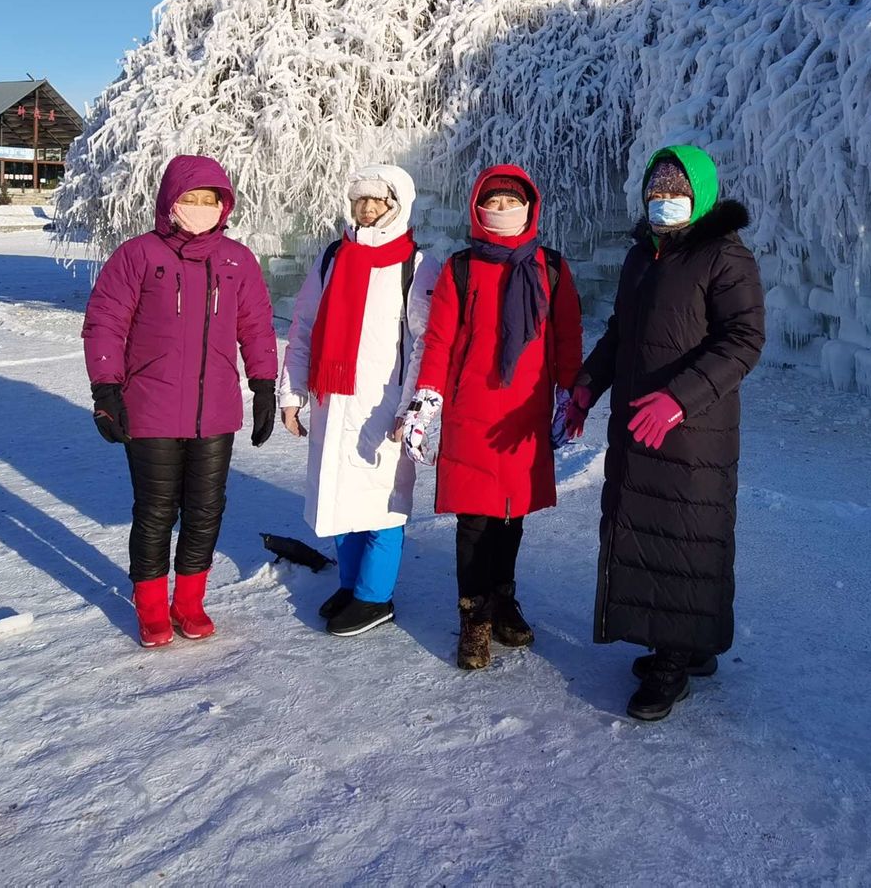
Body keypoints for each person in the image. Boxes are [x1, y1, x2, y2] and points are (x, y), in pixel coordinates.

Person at [565, 145, 765, 721]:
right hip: (638, 422)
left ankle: (673, 663)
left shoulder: (725, 257)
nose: (665, 201)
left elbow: (743, 341)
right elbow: (621, 334)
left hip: (694, 430)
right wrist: (586, 387)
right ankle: (686, 644)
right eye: (657, 191)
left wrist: (680, 399)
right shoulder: (641, 257)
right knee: (651, 531)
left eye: (677, 193)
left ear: (700, 197)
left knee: (686, 534)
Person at [82, 154, 278, 648]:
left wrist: (263, 384)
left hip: (214, 411)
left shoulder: (237, 260)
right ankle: (150, 608)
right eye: (189, 198)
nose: (199, 207)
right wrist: (106, 387)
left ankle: (189, 602)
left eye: (209, 199)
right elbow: (105, 321)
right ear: (170, 201)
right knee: (154, 511)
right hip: (149, 408)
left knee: (206, 509)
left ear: (224, 205)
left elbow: (255, 325)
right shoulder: (138, 256)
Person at [401, 166, 582, 670]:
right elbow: (438, 340)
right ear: (477, 207)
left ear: (530, 206)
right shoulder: (461, 269)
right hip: (472, 411)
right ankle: (474, 621)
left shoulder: (551, 267)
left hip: (525, 413)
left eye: (511, 202)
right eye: (493, 202)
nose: (501, 211)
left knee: (512, 516)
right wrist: (427, 400)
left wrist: (570, 395)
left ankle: (503, 602)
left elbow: (567, 334)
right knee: (476, 520)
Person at [279, 165, 437, 638]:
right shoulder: (332, 258)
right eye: (360, 200)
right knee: (339, 497)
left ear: (399, 204)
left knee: (382, 503)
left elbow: (426, 343)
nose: (367, 210)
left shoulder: (417, 264)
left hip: (382, 406)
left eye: (378, 201)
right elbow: (304, 326)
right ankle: (351, 585)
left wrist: (411, 409)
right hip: (333, 402)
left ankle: (375, 597)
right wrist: (292, 393)